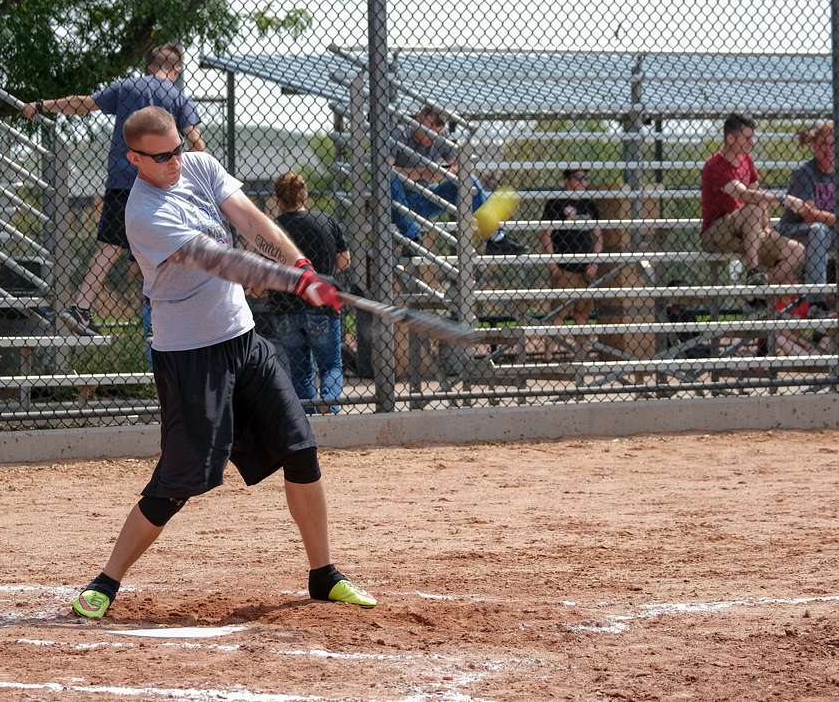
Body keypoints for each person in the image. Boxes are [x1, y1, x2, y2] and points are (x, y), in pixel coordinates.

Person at [70, 106, 375, 620]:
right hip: (190, 357)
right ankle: (107, 580)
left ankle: (324, 574)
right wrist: (295, 284)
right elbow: (220, 260)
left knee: (300, 447)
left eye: (177, 150)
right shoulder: (143, 214)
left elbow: (252, 221)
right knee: (180, 479)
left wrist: (299, 264)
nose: (174, 162)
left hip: (243, 340)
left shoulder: (200, 167)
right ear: (134, 159)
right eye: (161, 156)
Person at [23, 44, 205, 335]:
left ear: (149, 65)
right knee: (166, 249)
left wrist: (44, 104)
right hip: (161, 187)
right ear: (177, 69)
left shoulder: (126, 87)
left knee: (111, 246)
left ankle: (81, 307)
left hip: (123, 181)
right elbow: (196, 141)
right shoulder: (177, 96)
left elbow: (83, 104)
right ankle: (170, 316)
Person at [390, 105, 524, 255]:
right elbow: (385, 170)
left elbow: (458, 166)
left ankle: (496, 238)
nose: (433, 132)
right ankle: (412, 239)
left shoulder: (440, 135)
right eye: (431, 125)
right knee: (391, 179)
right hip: (396, 202)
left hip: (423, 198)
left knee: (469, 179)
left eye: (438, 128)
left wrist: (442, 172)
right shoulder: (400, 132)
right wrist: (425, 173)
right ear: (420, 117)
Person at [268, 172, 350, 414]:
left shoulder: (273, 229)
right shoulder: (326, 221)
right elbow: (344, 261)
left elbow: (263, 272)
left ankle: (306, 419)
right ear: (305, 195)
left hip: (285, 307)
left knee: (300, 369)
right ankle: (329, 402)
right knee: (331, 365)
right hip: (321, 305)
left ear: (278, 199)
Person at [699, 113, 804, 288]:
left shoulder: (746, 160)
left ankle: (756, 292)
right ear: (731, 138)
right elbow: (746, 195)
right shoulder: (715, 165)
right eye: (747, 137)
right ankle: (754, 271)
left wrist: (767, 226)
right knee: (752, 210)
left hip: (748, 233)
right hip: (717, 232)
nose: (752, 142)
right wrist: (782, 199)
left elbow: (757, 193)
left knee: (797, 251)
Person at [776, 122, 836, 317]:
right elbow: (809, 214)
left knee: (823, 230)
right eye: (822, 144)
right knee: (818, 229)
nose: (828, 149)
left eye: (832, 144)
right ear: (813, 145)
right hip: (795, 231)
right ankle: (816, 302)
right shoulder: (805, 172)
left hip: (829, 232)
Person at [540, 169, 602, 354]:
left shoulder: (588, 204)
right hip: (564, 267)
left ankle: (580, 355)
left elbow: (599, 236)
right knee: (558, 314)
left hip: (585, 268)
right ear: (567, 180)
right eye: (579, 178)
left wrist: (594, 263)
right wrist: (553, 265)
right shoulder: (556, 203)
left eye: (586, 178)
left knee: (582, 313)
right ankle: (548, 356)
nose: (584, 182)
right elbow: (545, 234)